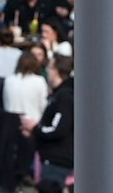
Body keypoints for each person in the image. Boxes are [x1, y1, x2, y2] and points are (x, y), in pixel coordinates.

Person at [33, 56, 75, 192]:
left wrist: (35, 129)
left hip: (57, 159)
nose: (47, 70)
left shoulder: (64, 97)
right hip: (53, 157)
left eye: (49, 67)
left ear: (56, 71)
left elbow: (58, 129)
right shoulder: (60, 94)